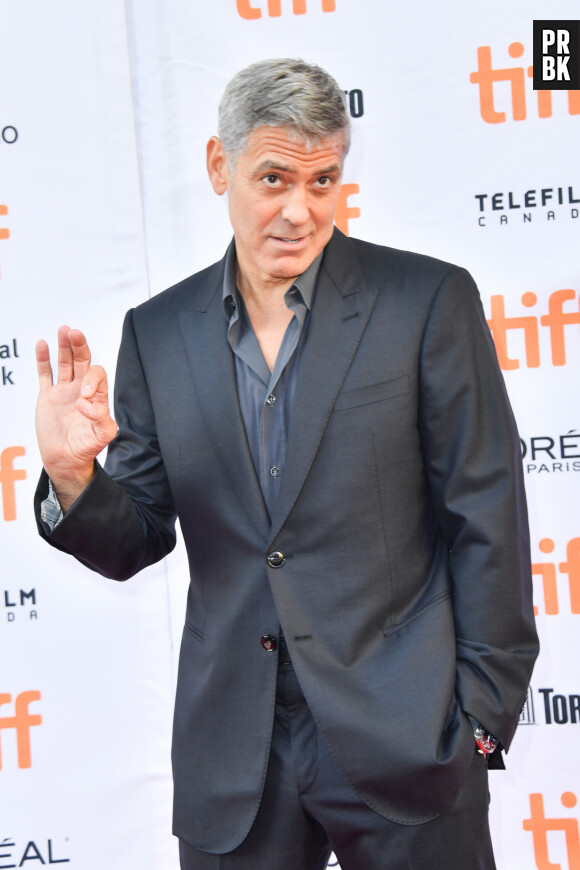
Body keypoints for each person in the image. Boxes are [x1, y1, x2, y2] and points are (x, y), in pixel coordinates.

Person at [35, 59, 539, 870]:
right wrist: (72, 477)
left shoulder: (426, 302)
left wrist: (482, 716)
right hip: (234, 755)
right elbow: (136, 538)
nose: (299, 211)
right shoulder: (156, 335)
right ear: (217, 165)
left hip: (407, 736)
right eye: (273, 178)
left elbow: (487, 516)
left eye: (323, 180)